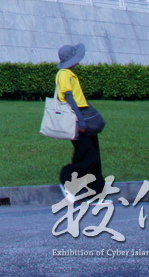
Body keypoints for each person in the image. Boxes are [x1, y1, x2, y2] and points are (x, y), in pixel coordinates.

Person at [56, 43, 105, 199]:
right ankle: (67, 179)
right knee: (89, 157)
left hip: (83, 117)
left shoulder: (69, 73)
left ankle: (96, 192)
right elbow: (69, 97)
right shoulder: (64, 74)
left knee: (90, 156)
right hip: (77, 118)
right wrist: (81, 121)